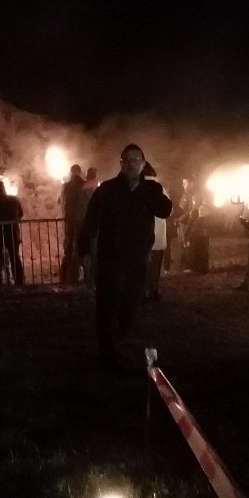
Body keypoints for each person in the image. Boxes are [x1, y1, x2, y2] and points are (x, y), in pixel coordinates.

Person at [78, 144, 173, 373]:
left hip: (137, 261)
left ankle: (113, 347)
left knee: (130, 308)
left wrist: (140, 189)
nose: (131, 164)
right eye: (127, 160)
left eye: (136, 160)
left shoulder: (151, 189)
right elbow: (90, 221)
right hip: (110, 260)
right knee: (107, 309)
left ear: (143, 163)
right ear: (121, 163)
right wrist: (85, 252)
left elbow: (165, 210)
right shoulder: (107, 190)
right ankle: (109, 356)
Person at [59, 164, 88, 283]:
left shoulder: (66, 186)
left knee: (69, 248)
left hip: (70, 220)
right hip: (82, 220)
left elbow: (62, 202)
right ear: (80, 172)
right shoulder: (84, 185)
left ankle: (67, 276)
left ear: (71, 172)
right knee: (82, 247)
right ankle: (85, 275)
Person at [144, 170, 168, 302]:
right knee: (155, 265)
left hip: (142, 236)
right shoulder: (160, 189)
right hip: (157, 235)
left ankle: (143, 292)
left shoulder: (136, 188)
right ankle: (152, 291)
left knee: (143, 265)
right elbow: (169, 210)